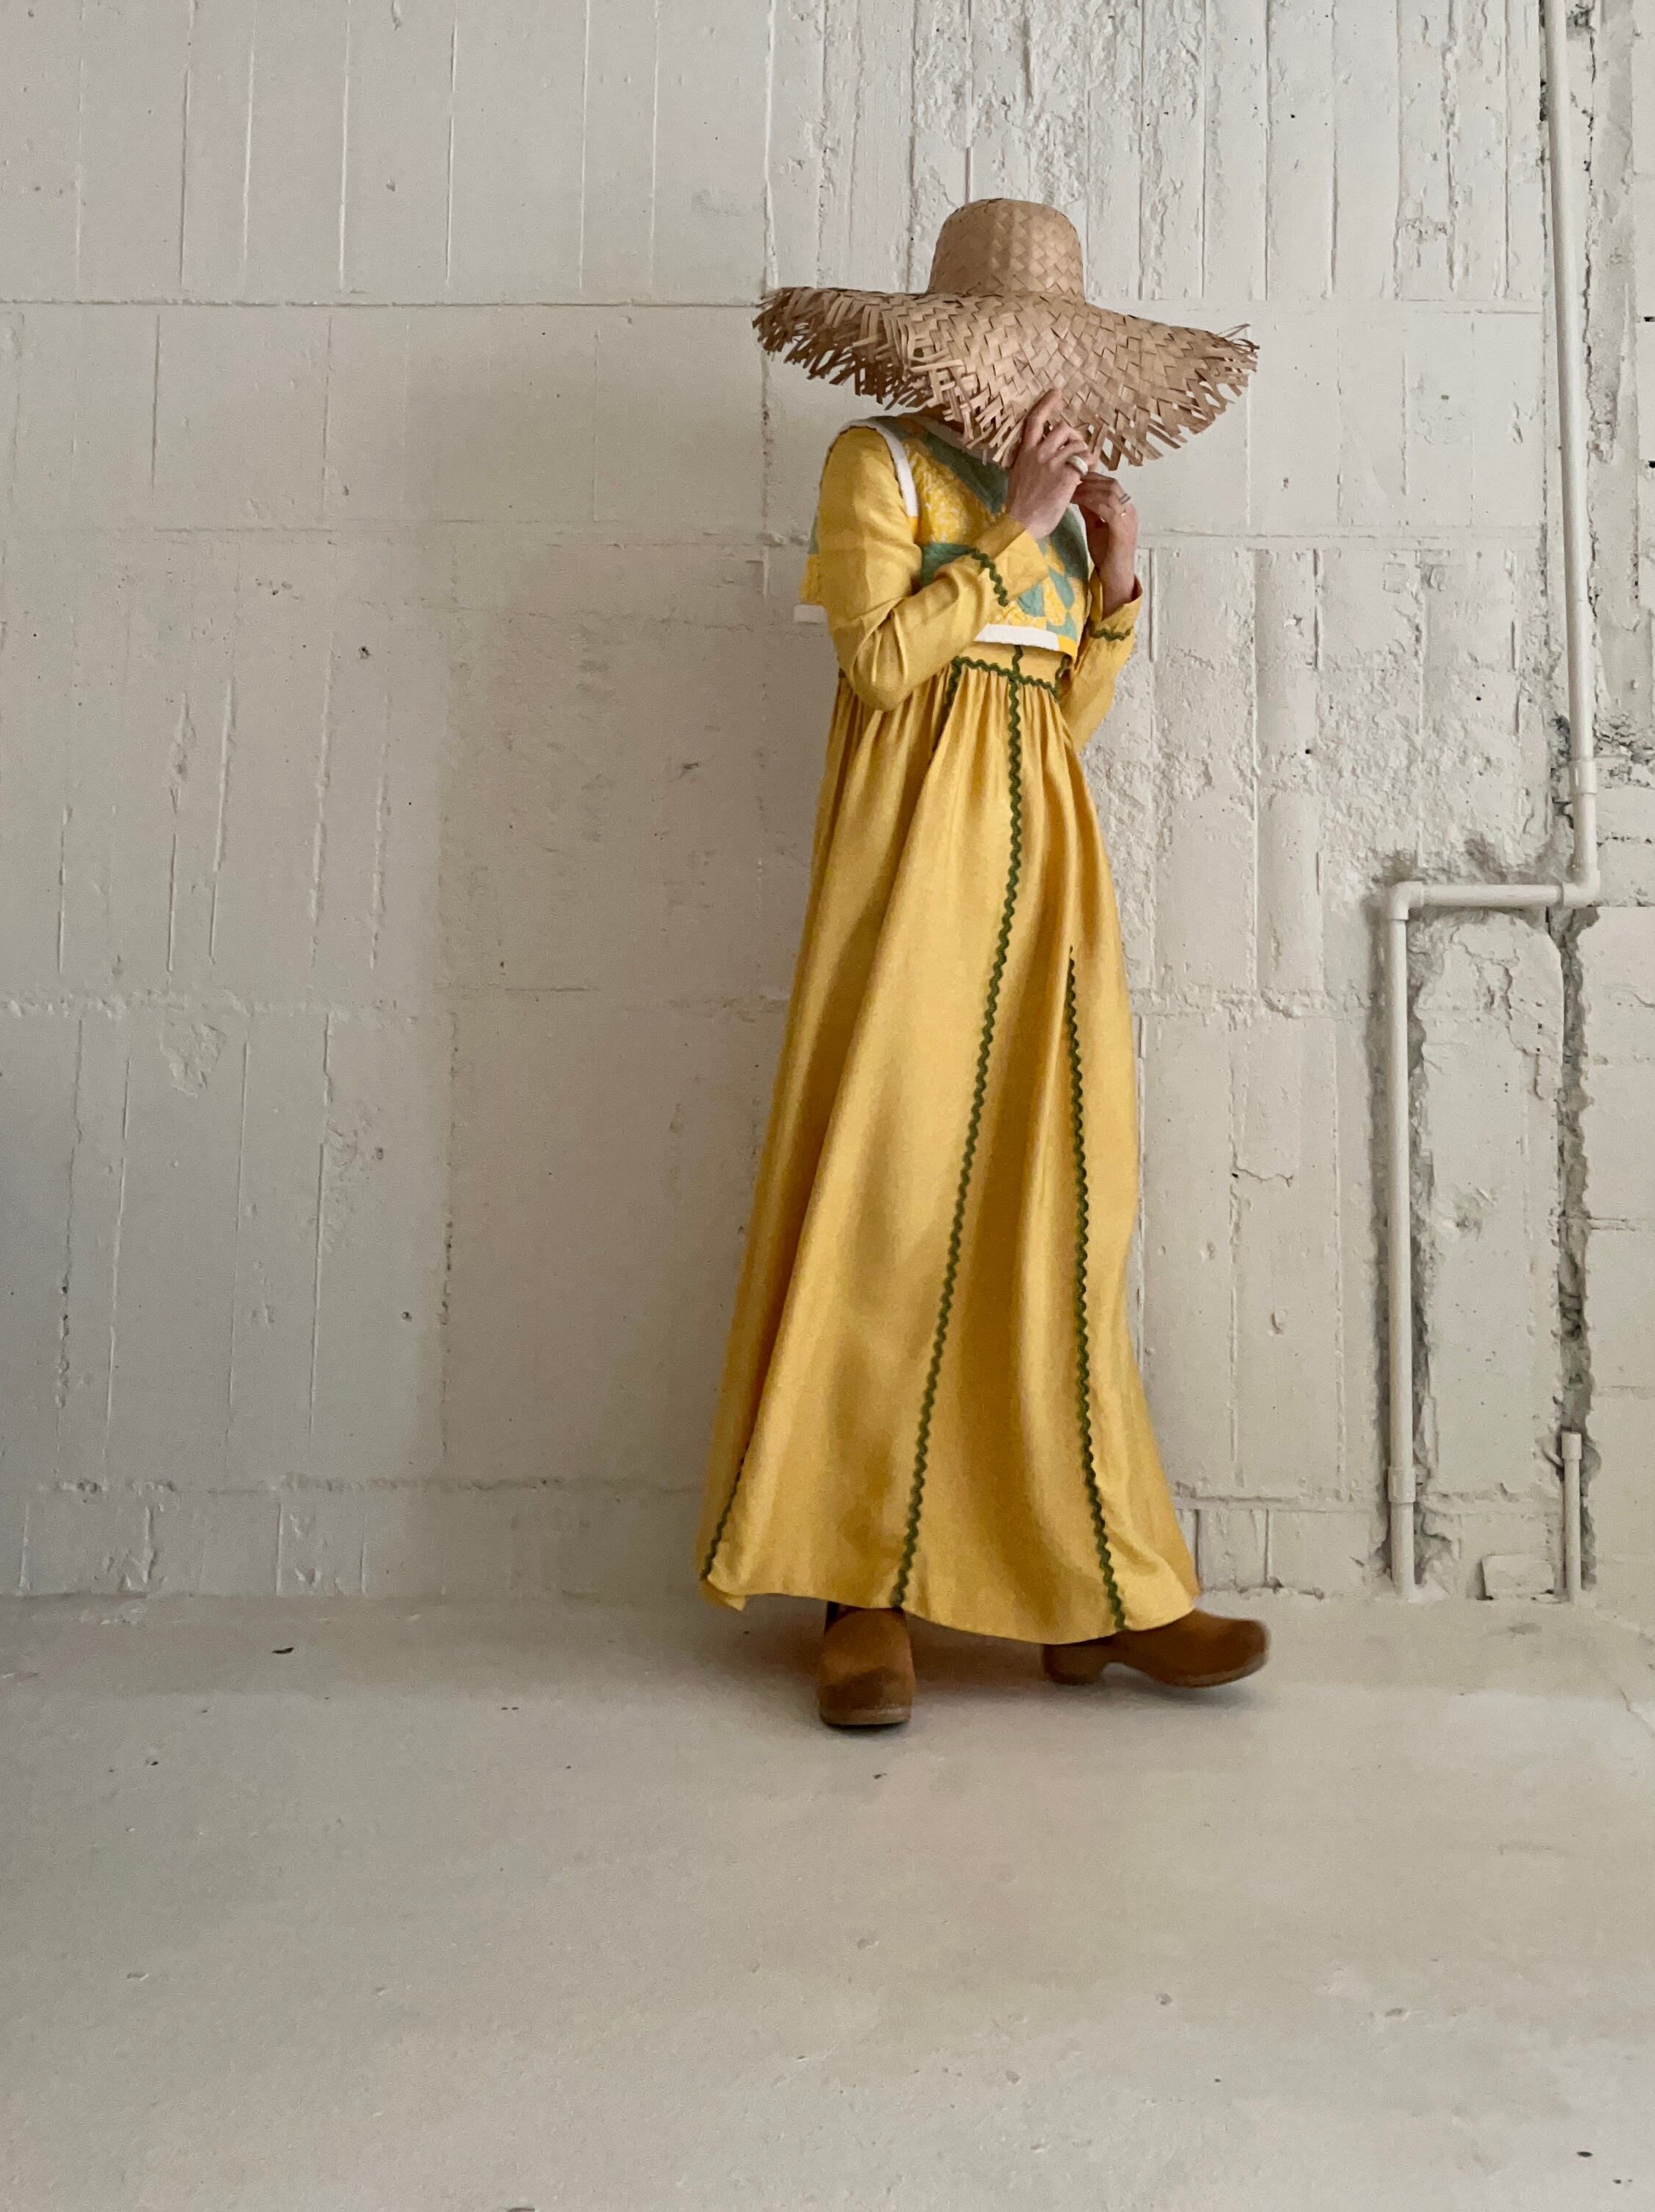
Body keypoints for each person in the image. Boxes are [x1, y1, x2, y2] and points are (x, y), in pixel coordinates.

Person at [696, 198, 1269, 1728]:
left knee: (1063, 1220)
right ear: (951, 345)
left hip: (1049, 877)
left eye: (1052, 351)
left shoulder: (1062, 505)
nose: (1031, 373)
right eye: (1013, 344)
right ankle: (857, 1591)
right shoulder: (876, 466)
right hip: (912, 882)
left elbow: (1055, 719)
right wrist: (1016, 527)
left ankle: (1096, 1595)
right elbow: (884, 669)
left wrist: (1117, 576)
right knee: (889, 1202)